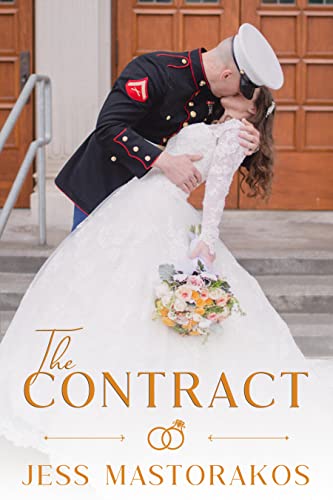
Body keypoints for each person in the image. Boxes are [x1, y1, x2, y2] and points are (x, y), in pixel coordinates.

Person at [0, 84, 332, 500]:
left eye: (245, 90)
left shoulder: (234, 136)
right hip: (134, 205)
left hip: (163, 212)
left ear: (252, 107)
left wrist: (207, 241)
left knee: (144, 301)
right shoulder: (213, 119)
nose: (232, 88)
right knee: (104, 292)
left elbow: (216, 191)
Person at [54, 24, 284, 231]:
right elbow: (109, 128)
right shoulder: (154, 70)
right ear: (226, 74)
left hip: (150, 202)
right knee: (92, 268)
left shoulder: (214, 98)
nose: (236, 96)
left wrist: (250, 147)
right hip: (104, 187)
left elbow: (218, 146)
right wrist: (165, 161)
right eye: (239, 89)